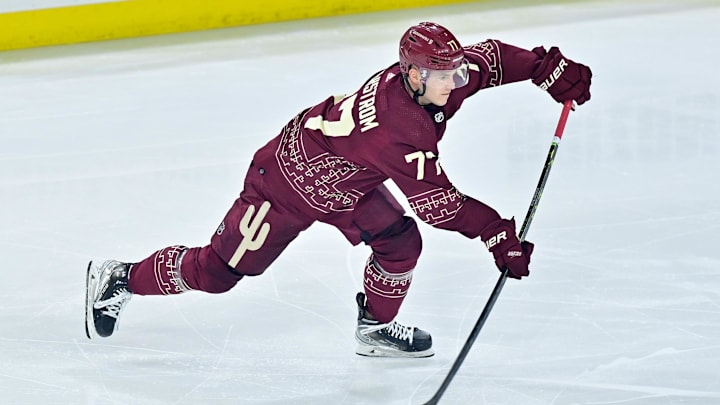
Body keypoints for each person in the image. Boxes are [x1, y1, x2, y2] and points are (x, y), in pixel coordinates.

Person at [85, 22, 591, 358]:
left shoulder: (433, 79)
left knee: (400, 245)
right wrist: (495, 233)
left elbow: (493, 59)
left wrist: (546, 68)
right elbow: (440, 204)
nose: (454, 82)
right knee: (218, 274)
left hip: (350, 179)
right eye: (443, 75)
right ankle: (120, 278)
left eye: (453, 71)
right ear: (413, 74)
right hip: (287, 182)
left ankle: (373, 329)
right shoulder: (400, 128)